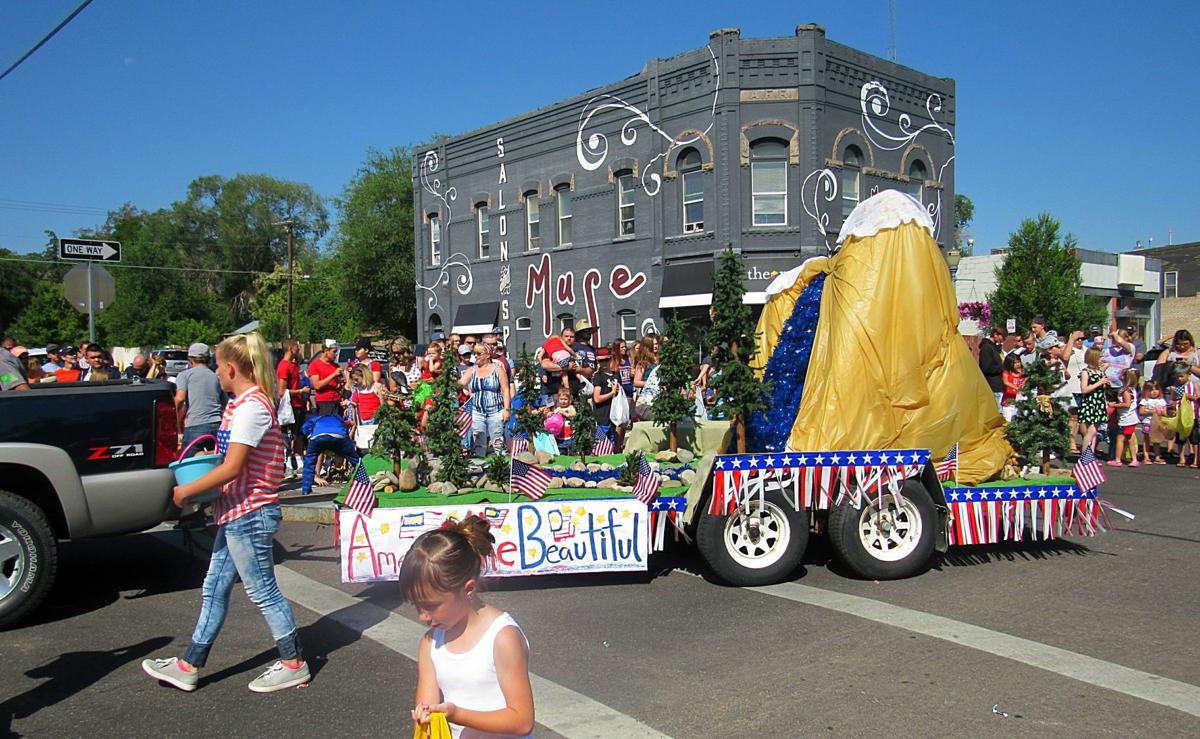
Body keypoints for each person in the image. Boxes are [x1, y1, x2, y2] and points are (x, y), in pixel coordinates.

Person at [142, 332, 309, 693]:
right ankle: (189, 664)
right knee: (214, 587)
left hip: (250, 513)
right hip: (238, 512)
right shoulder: (243, 404)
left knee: (262, 590)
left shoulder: (250, 407)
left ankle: (293, 662)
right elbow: (231, 462)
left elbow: (233, 467)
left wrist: (187, 489)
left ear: (232, 368)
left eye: (218, 367)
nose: (215, 373)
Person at [402, 517, 534, 738]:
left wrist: (456, 714)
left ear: (468, 589)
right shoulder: (431, 643)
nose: (422, 616)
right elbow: (426, 713)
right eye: (416, 605)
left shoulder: (502, 637)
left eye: (431, 606)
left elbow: (522, 721)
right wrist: (425, 720)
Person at [459, 344, 511, 457]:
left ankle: (502, 466)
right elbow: (461, 383)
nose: (476, 356)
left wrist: (507, 410)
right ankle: (480, 465)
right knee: (478, 441)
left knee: (498, 441)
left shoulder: (498, 369)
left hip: (496, 411)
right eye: (475, 354)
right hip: (477, 411)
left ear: (487, 355)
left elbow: (506, 390)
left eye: (479, 353)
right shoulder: (472, 370)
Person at [175, 343, 225, 458]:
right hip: (217, 424)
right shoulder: (215, 376)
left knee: (188, 463)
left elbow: (180, 398)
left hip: (196, 425)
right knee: (215, 463)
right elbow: (224, 403)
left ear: (190, 359)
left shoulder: (185, 375)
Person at [300, 411, 360, 494]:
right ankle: (364, 483)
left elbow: (304, 428)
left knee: (309, 462)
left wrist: (309, 436)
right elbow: (344, 429)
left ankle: (306, 490)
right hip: (339, 436)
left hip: (318, 437)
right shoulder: (337, 418)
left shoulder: (317, 419)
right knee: (355, 460)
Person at [276, 338, 310, 475]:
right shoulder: (284, 366)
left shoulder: (294, 365)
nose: (299, 349)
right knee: (289, 435)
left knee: (299, 434)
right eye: (297, 346)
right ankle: (289, 464)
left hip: (299, 405)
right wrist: (301, 392)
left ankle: (300, 461)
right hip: (290, 407)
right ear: (290, 348)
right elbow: (282, 391)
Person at [1077, 348, 1109, 453]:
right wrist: (1099, 382)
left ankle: (1091, 455)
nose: (1102, 359)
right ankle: (1085, 456)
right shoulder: (1086, 372)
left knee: (1095, 431)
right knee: (1091, 431)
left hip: (1098, 402)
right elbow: (1084, 389)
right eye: (1100, 357)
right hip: (1090, 403)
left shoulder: (1099, 371)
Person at [591, 347, 623, 451]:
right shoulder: (598, 377)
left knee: (612, 444)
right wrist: (612, 393)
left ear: (610, 359)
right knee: (600, 446)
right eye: (600, 361)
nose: (603, 363)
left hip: (613, 416)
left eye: (606, 360)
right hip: (601, 417)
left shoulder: (616, 375)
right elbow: (597, 398)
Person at [1108, 368, 1140, 467]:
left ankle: (1117, 460)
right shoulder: (1131, 389)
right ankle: (1134, 459)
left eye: (1123, 375)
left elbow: (1126, 404)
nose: (1120, 376)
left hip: (1126, 419)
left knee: (1120, 438)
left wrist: (1114, 405)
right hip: (1130, 418)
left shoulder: (1125, 391)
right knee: (1130, 439)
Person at [1063, 330, 1087, 453]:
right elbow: (1065, 357)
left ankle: (1086, 444)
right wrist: (1071, 340)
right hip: (1071, 387)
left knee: (1083, 418)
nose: (1080, 341)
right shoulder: (1067, 348)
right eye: (1077, 339)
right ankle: (1072, 443)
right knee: (1072, 418)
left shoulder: (1086, 350)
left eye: (1081, 338)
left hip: (1083, 388)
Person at [539, 326, 579, 395]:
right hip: (554, 391)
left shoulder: (576, 350)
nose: (569, 338)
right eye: (566, 336)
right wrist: (566, 367)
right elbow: (544, 364)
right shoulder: (551, 350)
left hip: (572, 392)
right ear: (561, 338)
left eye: (571, 337)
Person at [308, 339, 343, 416]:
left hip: (337, 401)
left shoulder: (335, 366)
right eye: (334, 351)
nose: (336, 354)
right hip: (324, 402)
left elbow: (337, 385)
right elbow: (317, 385)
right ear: (326, 351)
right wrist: (333, 375)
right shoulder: (315, 365)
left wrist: (341, 383)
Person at [1138, 381, 1168, 465]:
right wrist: (1152, 411)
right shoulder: (1145, 401)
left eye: (1156, 389)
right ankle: (1146, 456)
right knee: (1147, 439)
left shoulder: (1161, 400)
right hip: (1148, 422)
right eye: (1151, 390)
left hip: (1157, 423)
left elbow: (1165, 413)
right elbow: (1141, 412)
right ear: (1146, 391)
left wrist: (1161, 412)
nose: (1154, 392)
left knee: (1156, 440)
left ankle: (1157, 456)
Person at [570, 319, 597, 383]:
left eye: (590, 331)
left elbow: (595, 366)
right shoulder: (573, 346)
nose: (589, 333)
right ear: (579, 333)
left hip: (589, 381)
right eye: (586, 331)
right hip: (576, 381)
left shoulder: (592, 348)